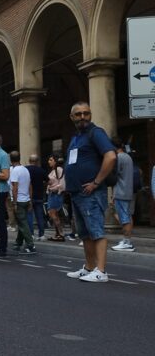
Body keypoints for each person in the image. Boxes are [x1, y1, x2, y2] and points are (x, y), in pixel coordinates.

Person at [64, 101, 117, 283]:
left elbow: (110, 156)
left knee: (96, 231)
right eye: (78, 114)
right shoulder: (77, 137)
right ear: (72, 117)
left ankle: (101, 271)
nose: (83, 117)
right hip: (77, 193)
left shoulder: (96, 133)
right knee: (84, 233)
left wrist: (96, 182)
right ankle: (89, 267)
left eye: (86, 113)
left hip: (91, 193)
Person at [9, 151, 36, 254]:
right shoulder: (25, 170)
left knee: (23, 223)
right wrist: (30, 200)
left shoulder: (15, 171)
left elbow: (14, 188)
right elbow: (30, 186)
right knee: (22, 222)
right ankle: (18, 243)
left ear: (11, 160)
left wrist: (14, 203)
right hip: (26, 199)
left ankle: (30, 244)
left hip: (19, 201)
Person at [111, 138, 135, 252]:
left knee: (124, 218)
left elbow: (114, 175)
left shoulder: (119, 158)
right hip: (127, 190)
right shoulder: (128, 157)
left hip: (121, 191)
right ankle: (127, 241)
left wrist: (113, 195)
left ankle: (127, 242)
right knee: (127, 216)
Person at [26, 154, 47, 240]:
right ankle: (41, 235)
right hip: (39, 196)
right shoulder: (41, 170)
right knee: (40, 216)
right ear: (38, 161)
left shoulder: (26, 169)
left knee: (29, 216)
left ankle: (31, 234)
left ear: (29, 160)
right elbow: (48, 181)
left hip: (28, 196)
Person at [45, 154, 66, 241]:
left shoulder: (59, 170)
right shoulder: (53, 170)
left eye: (51, 160)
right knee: (53, 214)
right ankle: (57, 234)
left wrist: (52, 188)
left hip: (56, 194)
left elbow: (62, 185)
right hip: (51, 194)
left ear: (55, 161)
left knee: (53, 214)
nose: (49, 161)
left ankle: (61, 234)